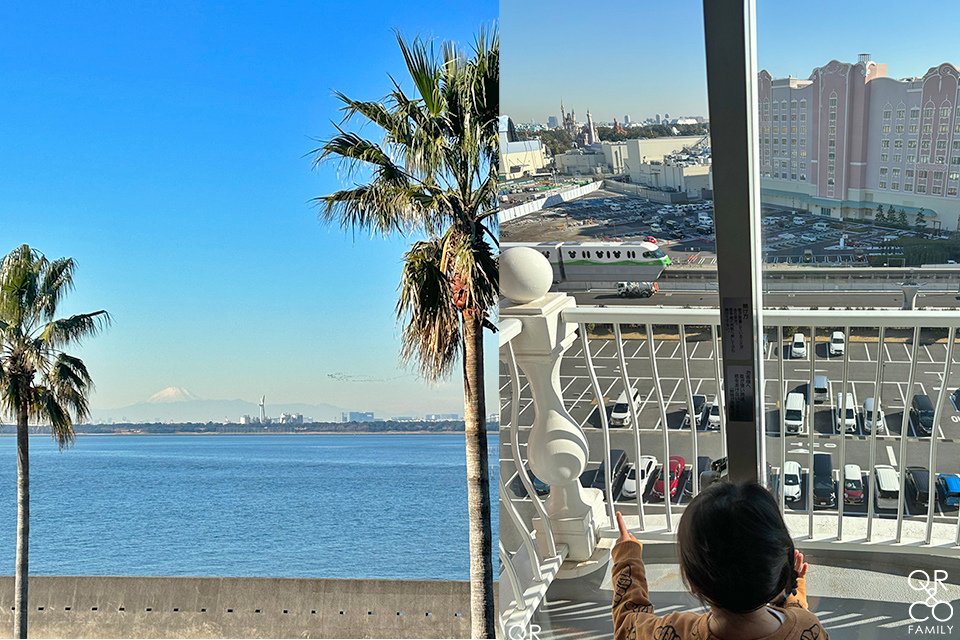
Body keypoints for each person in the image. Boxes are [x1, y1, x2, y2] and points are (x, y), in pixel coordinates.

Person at [611, 481, 828, 639]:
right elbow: (795, 618)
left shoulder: (678, 632)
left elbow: (628, 624)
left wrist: (627, 554)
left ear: (692, 580)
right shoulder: (809, 629)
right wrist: (792, 588)